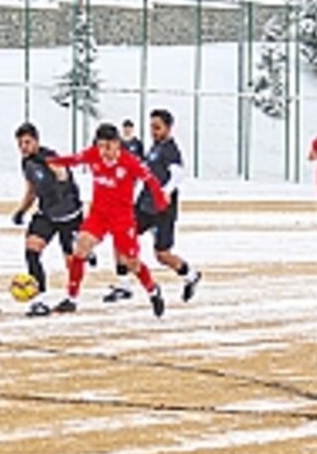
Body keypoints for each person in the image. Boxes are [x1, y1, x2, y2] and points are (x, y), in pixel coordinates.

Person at [46, 123, 169, 317]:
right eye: (101, 146)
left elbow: (150, 180)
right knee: (81, 247)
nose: (104, 151)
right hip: (99, 215)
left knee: (131, 262)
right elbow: (74, 159)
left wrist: (160, 199)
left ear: (118, 144)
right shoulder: (94, 155)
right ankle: (71, 298)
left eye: (108, 146)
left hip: (123, 218)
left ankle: (153, 291)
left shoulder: (130, 162)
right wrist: (51, 161)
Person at [106, 109, 201, 304]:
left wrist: (166, 191)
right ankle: (124, 286)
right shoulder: (154, 148)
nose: (153, 132)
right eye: (151, 127)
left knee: (162, 255)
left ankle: (191, 276)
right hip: (144, 205)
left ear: (168, 128)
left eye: (157, 128)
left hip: (163, 209)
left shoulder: (170, 149)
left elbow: (178, 173)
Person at [11, 123, 85, 317]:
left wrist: (60, 178)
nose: (23, 147)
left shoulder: (49, 157)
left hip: (69, 215)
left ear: (37, 141)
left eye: (27, 142)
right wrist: (21, 211)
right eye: (20, 144)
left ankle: (71, 299)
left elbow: (63, 176)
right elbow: (31, 190)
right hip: (47, 214)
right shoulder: (27, 163)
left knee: (71, 261)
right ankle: (39, 301)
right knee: (31, 251)